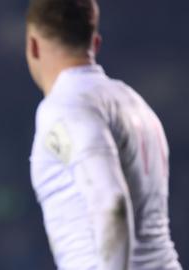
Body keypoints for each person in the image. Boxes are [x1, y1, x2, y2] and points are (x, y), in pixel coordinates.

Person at [26, 0, 181, 269]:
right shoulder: (136, 104)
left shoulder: (65, 107)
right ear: (95, 43)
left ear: (34, 46)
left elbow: (112, 203)